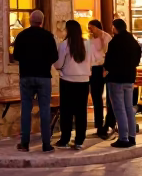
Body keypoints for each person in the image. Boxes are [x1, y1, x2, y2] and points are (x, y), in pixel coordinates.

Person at [12, 10, 58, 153]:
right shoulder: (48, 36)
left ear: (30, 21)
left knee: (26, 109)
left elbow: (16, 56)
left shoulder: (22, 35)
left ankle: (25, 143)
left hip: (26, 75)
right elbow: (55, 56)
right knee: (44, 109)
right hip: (43, 76)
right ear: (41, 21)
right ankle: (46, 143)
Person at [54, 19, 92, 150]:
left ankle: (65, 139)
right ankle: (79, 140)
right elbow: (91, 62)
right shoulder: (87, 44)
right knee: (81, 111)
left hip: (68, 80)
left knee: (67, 111)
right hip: (84, 81)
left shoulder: (64, 45)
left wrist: (59, 68)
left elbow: (58, 64)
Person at [105, 18, 142, 148]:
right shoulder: (132, 41)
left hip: (116, 79)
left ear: (115, 28)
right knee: (128, 108)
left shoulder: (115, 42)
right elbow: (137, 59)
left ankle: (123, 138)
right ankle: (132, 136)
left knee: (119, 109)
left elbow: (108, 63)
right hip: (129, 78)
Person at [86, 19, 113, 140]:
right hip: (93, 70)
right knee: (96, 98)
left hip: (104, 68)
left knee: (109, 98)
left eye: (91, 27)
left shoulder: (106, 38)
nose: (89, 30)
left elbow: (108, 53)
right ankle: (99, 126)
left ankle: (109, 124)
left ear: (97, 27)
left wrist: (106, 68)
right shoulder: (90, 40)